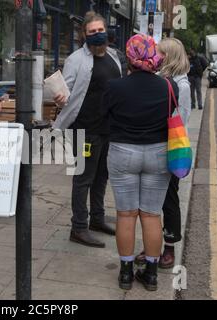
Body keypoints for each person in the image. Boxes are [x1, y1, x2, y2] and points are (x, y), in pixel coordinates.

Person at [103, 34, 178, 291]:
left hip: (123, 152)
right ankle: (152, 275)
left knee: (126, 214)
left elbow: (104, 120)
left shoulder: (115, 87)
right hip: (158, 154)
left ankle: (125, 274)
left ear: (129, 57)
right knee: (151, 214)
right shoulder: (169, 87)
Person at [53, 11, 121, 248]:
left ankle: (97, 219)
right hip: (84, 130)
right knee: (83, 179)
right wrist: (60, 98)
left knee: (102, 177)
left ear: (106, 31)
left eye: (100, 30)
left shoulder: (113, 56)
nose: (97, 34)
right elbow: (66, 90)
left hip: (107, 129)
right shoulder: (76, 59)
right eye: (91, 31)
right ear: (84, 34)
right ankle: (79, 227)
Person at [134, 38, 191, 269]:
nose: (155, 57)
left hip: (170, 149)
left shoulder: (182, 85)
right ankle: (152, 247)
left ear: (169, 57)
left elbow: (182, 121)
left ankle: (169, 248)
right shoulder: (160, 80)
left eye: (160, 53)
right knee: (150, 203)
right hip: (154, 147)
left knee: (169, 200)